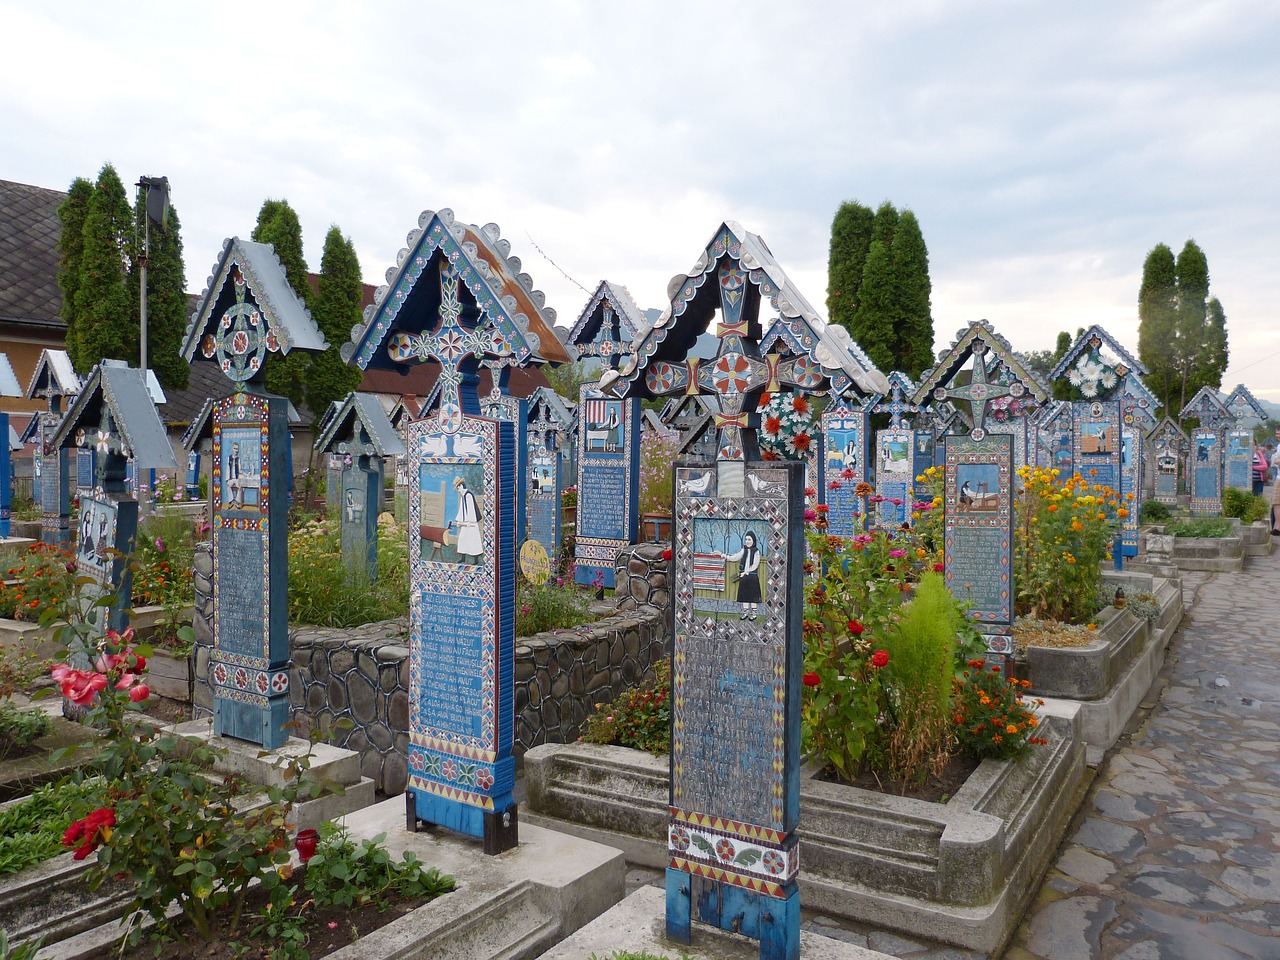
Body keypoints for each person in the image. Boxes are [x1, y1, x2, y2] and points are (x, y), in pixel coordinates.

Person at [723, 531, 763, 620]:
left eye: (749, 539)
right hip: (743, 577)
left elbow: (755, 565)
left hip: (752, 577)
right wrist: (725, 556)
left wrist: (746, 572)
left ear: (753, 540)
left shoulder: (756, 551)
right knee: (745, 596)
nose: (747, 541)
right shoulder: (744, 550)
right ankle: (745, 613)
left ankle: (754, 614)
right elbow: (736, 557)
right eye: (746, 539)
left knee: (752, 597)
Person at [450, 476, 483, 563]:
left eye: (458, 488)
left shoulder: (468, 496)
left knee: (473, 540)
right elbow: (462, 511)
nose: (458, 491)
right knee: (463, 539)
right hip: (465, 523)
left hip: (471, 523)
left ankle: (476, 559)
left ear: (461, 486)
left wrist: (470, 522)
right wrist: (460, 521)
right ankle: (463, 558)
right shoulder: (463, 497)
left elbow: (471, 510)